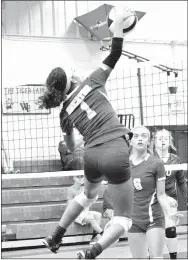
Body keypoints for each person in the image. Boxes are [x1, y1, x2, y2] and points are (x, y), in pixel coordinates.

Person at [39, 10, 134, 259]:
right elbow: (114, 54)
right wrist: (117, 30)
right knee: (124, 219)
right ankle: (93, 250)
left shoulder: (64, 113)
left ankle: (56, 236)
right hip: (115, 147)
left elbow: (71, 148)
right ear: (72, 77)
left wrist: (81, 136)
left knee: (87, 195)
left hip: (91, 155)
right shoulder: (92, 80)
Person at [127, 125, 181, 259]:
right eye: (136, 136)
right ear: (130, 141)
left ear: (149, 142)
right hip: (133, 220)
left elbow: (161, 195)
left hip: (154, 218)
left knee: (156, 257)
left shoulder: (156, 164)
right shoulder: (123, 165)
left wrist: (169, 214)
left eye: (144, 136)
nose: (140, 139)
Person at [153, 128, 187, 259]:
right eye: (159, 138)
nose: (162, 141)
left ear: (170, 141)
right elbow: (149, 184)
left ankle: (174, 257)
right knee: (155, 231)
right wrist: (165, 198)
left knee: (170, 228)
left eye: (165, 138)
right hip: (153, 198)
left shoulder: (175, 159)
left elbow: (181, 182)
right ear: (154, 141)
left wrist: (187, 199)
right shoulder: (150, 158)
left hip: (171, 199)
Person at [67, 175, 103, 245]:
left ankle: (94, 238)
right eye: (78, 177)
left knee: (98, 215)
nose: (80, 179)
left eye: (82, 177)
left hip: (85, 211)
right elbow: (70, 205)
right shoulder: (70, 189)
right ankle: (103, 234)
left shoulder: (84, 189)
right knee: (91, 218)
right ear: (74, 178)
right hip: (76, 213)